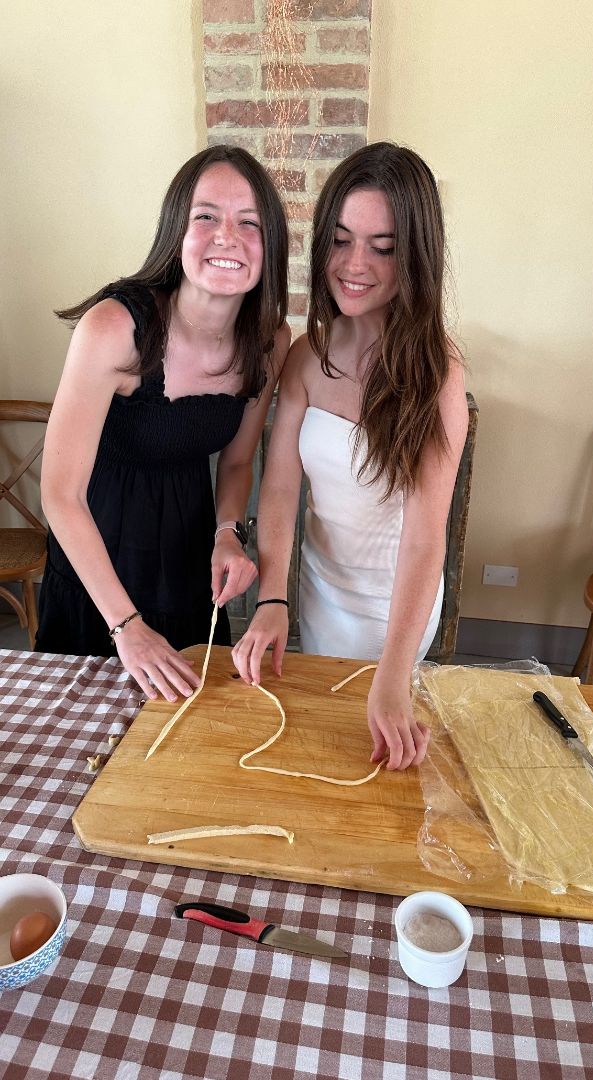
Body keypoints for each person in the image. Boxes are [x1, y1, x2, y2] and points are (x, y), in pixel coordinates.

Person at [232, 141, 469, 771]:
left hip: (397, 603)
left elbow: (425, 538)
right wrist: (273, 598)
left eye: (383, 247)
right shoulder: (307, 356)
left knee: (382, 750)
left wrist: (393, 675)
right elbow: (279, 488)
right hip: (320, 587)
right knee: (322, 745)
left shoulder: (436, 372)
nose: (355, 264)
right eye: (340, 240)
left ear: (415, 256)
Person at [36, 145, 290, 703]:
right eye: (206, 216)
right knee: (90, 731)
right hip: (99, 553)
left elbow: (239, 461)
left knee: (192, 720)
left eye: (249, 222)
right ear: (177, 230)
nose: (227, 236)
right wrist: (126, 627)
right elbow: (59, 494)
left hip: (189, 551)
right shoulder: (114, 328)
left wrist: (228, 533)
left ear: (270, 245)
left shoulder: (269, 343)